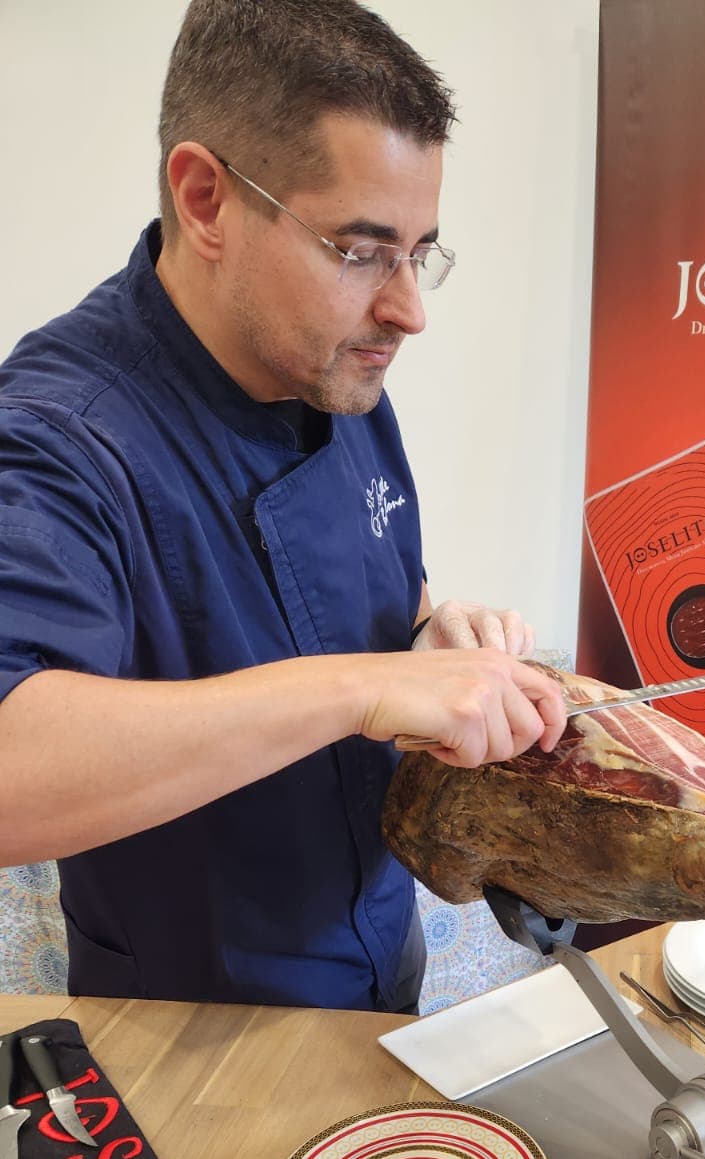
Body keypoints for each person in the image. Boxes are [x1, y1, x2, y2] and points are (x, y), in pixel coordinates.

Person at [0, 0, 566, 1013]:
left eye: (420, 250)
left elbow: (345, 582)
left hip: (382, 973)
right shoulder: (58, 433)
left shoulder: (332, 370)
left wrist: (432, 628)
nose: (410, 309)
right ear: (207, 198)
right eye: (360, 250)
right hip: (191, 1037)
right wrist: (358, 687)